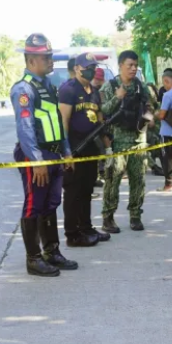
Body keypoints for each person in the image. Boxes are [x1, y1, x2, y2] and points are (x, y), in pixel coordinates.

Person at [10, 34, 81, 275]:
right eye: (46, 57)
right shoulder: (24, 89)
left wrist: (67, 151)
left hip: (54, 155)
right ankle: (33, 258)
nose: (51, 61)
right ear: (31, 60)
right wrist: (37, 161)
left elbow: (59, 123)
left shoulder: (49, 86)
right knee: (34, 205)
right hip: (36, 156)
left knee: (51, 204)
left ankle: (52, 251)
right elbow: (25, 127)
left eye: (51, 56)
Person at [59, 53, 111, 242]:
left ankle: (86, 228)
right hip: (74, 148)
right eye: (87, 67)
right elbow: (63, 121)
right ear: (77, 68)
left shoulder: (93, 91)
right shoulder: (68, 90)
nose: (91, 70)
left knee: (87, 189)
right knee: (73, 191)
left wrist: (107, 146)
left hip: (91, 148)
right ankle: (72, 234)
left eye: (93, 67)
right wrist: (65, 153)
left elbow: (99, 119)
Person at [100, 50, 153, 231]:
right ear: (121, 65)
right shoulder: (110, 86)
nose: (133, 69)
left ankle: (135, 215)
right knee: (112, 180)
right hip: (118, 142)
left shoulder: (141, 86)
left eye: (135, 65)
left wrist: (148, 117)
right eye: (129, 65)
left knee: (138, 180)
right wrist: (118, 97)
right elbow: (103, 111)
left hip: (138, 140)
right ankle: (108, 218)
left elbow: (151, 105)